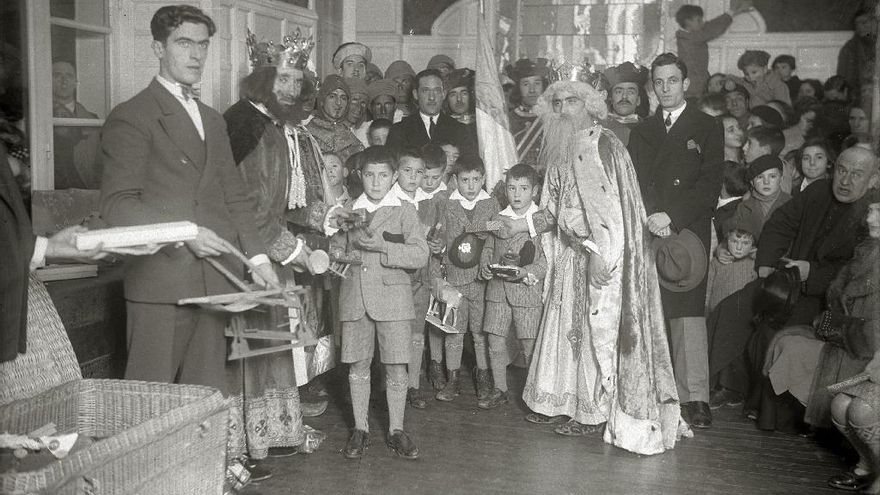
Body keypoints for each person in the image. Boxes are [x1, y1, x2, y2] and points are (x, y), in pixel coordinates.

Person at [99, 1, 279, 404]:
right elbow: (118, 206)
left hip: (217, 281)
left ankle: (203, 469)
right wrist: (185, 233)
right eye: (184, 43)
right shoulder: (132, 116)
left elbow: (235, 197)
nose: (196, 54)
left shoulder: (213, 119)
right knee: (148, 403)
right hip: (161, 282)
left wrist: (260, 262)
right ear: (157, 48)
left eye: (203, 45)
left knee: (206, 399)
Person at [508, 75, 678, 455]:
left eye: (571, 101)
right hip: (567, 257)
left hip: (598, 255)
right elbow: (551, 210)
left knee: (591, 330)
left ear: (589, 105)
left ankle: (592, 411)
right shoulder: (557, 148)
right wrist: (518, 225)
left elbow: (614, 211)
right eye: (557, 103)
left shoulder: (605, 144)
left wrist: (601, 254)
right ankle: (559, 402)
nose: (563, 109)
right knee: (562, 327)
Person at [222, 32, 329, 476]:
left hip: (267, 253)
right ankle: (239, 449)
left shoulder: (271, 122)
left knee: (265, 345)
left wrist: (327, 220)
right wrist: (300, 253)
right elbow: (249, 210)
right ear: (263, 77)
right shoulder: (246, 125)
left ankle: (268, 435)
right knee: (247, 350)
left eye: (296, 80)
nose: (290, 89)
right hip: (243, 256)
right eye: (282, 78)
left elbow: (283, 202)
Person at [628, 53, 724, 429]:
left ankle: (694, 396)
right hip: (650, 227)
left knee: (687, 312)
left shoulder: (706, 126)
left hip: (688, 231)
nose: (665, 88)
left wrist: (674, 217)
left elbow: (710, 184)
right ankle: (654, 387)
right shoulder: (644, 130)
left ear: (686, 84)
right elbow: (636, 181)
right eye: (659, 82)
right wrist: (653, 217)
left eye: (672, 80)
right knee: (651, 307)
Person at [332, 145, 429, 460]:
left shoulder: (404, 210)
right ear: (360, 175)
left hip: (394, 300)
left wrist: (384, 247)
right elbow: (335, 254)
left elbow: (419, 254)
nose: (376, 182)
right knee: (358, 365)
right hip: (355, 297)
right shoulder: (347, 210)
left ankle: (396, 430)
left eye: (383, 175)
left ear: (394, 177)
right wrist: (345, 256)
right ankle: (360, 429)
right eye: (370, 175)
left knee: (397, 366)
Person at [478, 163, 546, 410]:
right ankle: (499, 388)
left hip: (527, 293)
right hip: (496, 292)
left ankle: (532, 394)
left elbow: (545, 261)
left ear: (535, 191)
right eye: (511, 188)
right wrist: (485, 263)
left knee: (529, 344)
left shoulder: (540, 222)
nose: (517, 194)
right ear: (505, 190)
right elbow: (487, 245)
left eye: (523, 188)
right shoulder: (497, 219)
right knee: (495, 340)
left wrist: (526, 272)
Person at [433, 155, 499, 402]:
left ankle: (483, 378)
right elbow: (440, 236)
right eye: (464, 180)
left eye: (475, 180)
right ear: (455, 180)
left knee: (480, 331)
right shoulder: (447, 204)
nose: (470, 186)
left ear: (483, 179)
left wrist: (487, 260)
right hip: (454, 277)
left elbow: (493, 236)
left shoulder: (491, 205)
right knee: (454, 331)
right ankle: (453, 379)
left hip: (481, 280)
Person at [825, 201, 880, 493]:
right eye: (871, 210)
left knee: (861, 410)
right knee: (841, 405)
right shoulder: (867, 252)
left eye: (879, 212)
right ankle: (868, 464)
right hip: (871, 351)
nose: (870, 217)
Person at [386, 147, 437, 409]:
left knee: (417, 334)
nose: (413, 177)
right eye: (407, 171)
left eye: (419, 172)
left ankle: (413, 386)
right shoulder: (389, 201)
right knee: (394, 334)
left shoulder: (429, 202)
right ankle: (392, 384)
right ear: (396, 173)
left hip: (422, 276)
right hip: (397, 277)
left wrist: (435, 244)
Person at [385, 68, 476, 156]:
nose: (431, 97)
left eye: (436, 90)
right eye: (425, 90)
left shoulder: (460, 130)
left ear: (443, 94)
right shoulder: (399, 130)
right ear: (415, 94)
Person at [675, 2, 751, 98]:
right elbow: (712, 29)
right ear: (688, 22)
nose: (702, 23)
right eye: (699, 20)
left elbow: (708, 26)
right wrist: (731, 12)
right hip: (693, 87)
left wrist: (733, 12)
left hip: (695, 83)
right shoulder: (689, 38)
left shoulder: (688, 35)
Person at [52, 60, 101, 189]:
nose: (64, 81)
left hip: (83, 189)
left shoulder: (92, 120)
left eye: (69, 76)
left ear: (75, 83)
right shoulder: (37, 117)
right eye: (57, 75)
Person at [706, 215, 759, 317]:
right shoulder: (716, 263)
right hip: (716, 314)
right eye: (734, 241)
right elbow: (707, 292)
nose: (739, 247)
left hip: (743, 315)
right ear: (726, 240)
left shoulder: (754, 264)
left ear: (753, 246)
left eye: (745, 243)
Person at [306, 74, 364, 164]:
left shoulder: (352, 139)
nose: (338, 103)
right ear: (322, 101)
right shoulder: (308, 135)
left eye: (343, 98)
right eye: (332, 96)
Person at [506, 58, 550, 170]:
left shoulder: (553, 118)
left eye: (537, 83)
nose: (532, 90)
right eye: (526, 84)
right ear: (518, 88)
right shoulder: (507, 119)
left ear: (544, 86)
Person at [837, 8, 877, 105]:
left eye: (864, 23)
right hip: (858, 99)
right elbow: (841, 78)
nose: (860, 27)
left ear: (875, 23)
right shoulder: (848, 49)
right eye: (857, 24)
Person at [603, 61, 648, 145]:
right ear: (611, 99)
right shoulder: (600, 128)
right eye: (618, 91)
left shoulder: (649, 129)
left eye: (631, 92)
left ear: (638, 100)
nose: (624, 97)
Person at [345, 77, 370, 145]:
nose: (359, 108)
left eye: (363, 103)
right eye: (354, 100)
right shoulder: (330, 131)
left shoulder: (366, 133)